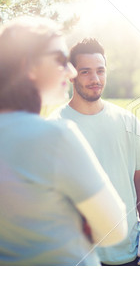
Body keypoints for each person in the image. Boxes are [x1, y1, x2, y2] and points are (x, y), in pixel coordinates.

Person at [0, 17, 127, 266]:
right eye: (60, 59)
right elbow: (115, 229)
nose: (71, 72)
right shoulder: (56, 137)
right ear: (29, 65)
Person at [49, 38, 140, 266]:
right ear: (71, 75)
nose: (95, 79)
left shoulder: (127, 120)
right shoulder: (54, 126)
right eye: (85, 72)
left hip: (130, 253)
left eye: (100, 71)